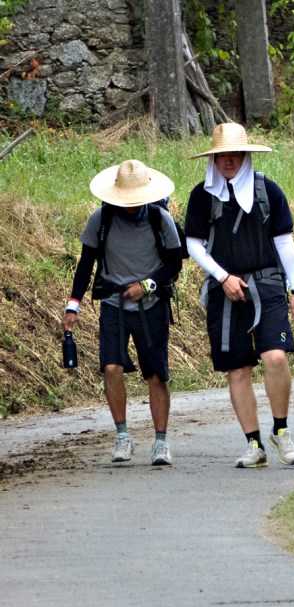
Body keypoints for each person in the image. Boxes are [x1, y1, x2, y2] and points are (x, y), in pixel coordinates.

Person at [184, 123, 294, 469]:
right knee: (237, 370)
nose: (228, 161)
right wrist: (222, 277)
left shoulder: (268, 191)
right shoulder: (201, 196)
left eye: (235, 154)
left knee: (275, 358)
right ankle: (254, 444)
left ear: (245, 155)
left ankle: (280, 431)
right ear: (213, 158)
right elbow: (194, 244)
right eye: (221, 155)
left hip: (266, 284)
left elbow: (284, 241)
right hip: (223, 290)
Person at [62, 160, 182, 465]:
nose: (131, 204)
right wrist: (73, 305)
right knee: (111, 368)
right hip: (113, 305)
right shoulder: (100, 220)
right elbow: (85, 264)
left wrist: (147, 285)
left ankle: (160, 442)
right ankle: (122, 436)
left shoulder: (160, 218)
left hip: (151, 306)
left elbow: (174, 262)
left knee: (156, 375)